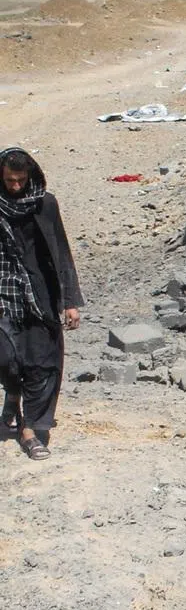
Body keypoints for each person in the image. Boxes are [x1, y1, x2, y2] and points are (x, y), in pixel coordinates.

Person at [0, 147, 82, 460]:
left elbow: (61, 252)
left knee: (41, 363)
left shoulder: (45, 205)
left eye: (20, 180)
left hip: (40, 296)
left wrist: (70, 301)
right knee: (6, 357)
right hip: (4, 294)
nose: (15, 186)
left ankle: (30, 429)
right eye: (9, 180)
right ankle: (13, 391)